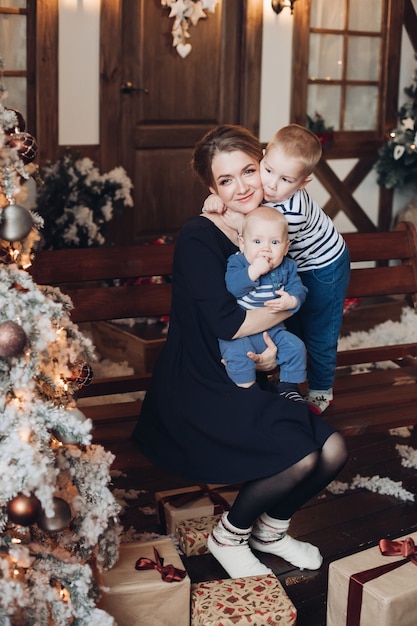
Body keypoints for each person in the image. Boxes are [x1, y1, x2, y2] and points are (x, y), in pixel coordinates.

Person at [132, 124, 348, 580]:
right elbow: (229, 323)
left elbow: (282, 301)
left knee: (334, 451)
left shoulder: (270, 227)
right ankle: (228, 536)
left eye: (249, 170)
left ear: (264, 164)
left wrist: (273, 355)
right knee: (303, 455)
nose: (245, 186)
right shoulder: (198, 236)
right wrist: (292, 306)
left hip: (252, 370)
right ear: (212, 190)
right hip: (201, 383)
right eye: (226, 181)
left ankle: (271, 529)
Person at [204, 124, 351, 414]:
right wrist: (218, 198)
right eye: (267, 170)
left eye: (285, 179)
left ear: (303, 183)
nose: (271, 185)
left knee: (320, 329)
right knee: (288, 324)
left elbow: (249, 227)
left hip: (324, 265)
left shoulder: (291, 213)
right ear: (262, 156)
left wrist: (222, 207)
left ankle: (321, 390)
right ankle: (288, 384)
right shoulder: (270, 191)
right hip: (293, 264)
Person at [219, 205, 308, 397]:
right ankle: (247, 392)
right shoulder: (238, 262)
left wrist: (292, 301)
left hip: (274, 330)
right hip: (241, 334)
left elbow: (299, 289)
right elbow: (231, 288)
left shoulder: (287, 267)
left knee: (296, 347)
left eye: (275, 242)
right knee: (237, 356)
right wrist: (254, 271)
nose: (265, 249)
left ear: (286, 248)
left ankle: (288, 389)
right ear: (242, 245)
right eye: (257, 241)